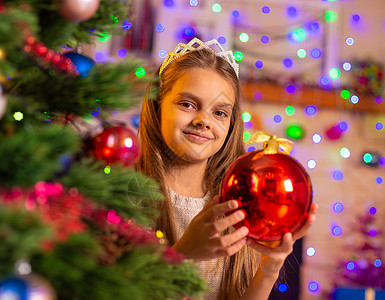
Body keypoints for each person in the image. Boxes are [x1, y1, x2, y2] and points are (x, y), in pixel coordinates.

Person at [136, 38, 317, 300]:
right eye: (187, 104)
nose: (203, 121)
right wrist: (184, 254)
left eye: (219, 112)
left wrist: (269, 269)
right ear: (157, 105)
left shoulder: (238, 204)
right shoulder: (125, 194)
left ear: (231, 123)